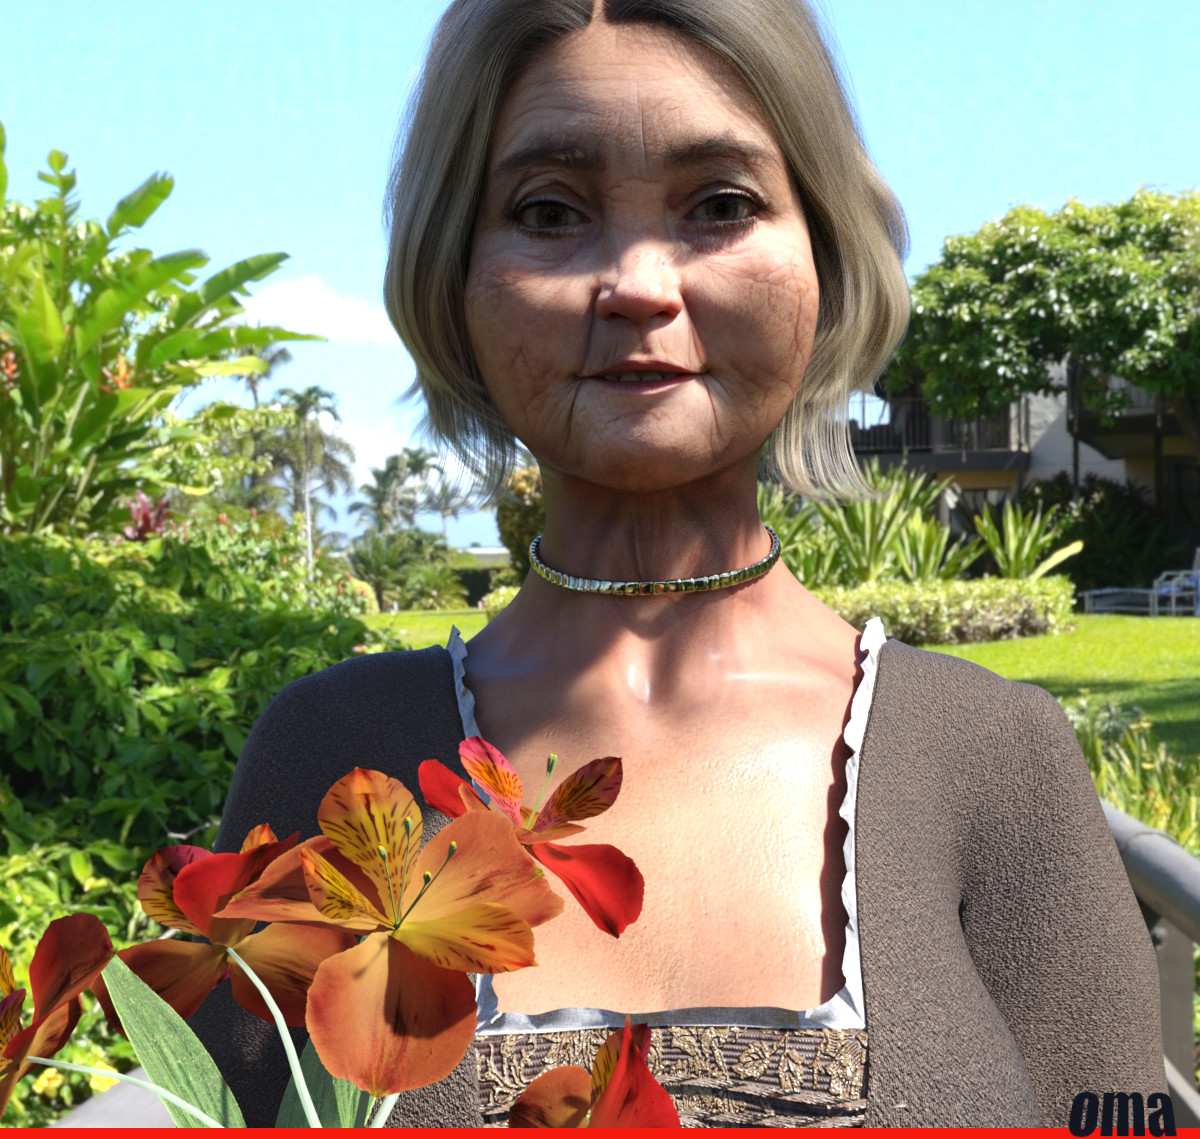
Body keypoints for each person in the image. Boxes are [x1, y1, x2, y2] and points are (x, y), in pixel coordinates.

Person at [190, 0, 1166, 1126]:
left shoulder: (993, 756)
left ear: (826, 254)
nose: (640, 285)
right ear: (452, 273)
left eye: (721, 205)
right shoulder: (330, 752)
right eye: (549, 211)